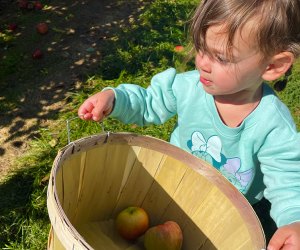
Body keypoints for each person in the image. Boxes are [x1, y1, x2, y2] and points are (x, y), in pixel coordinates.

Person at [78, 0, 300, 249]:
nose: (202, 62)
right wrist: (116, 99)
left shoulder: (272, 124)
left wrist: (293, 220)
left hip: (235, 208)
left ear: (272, 66)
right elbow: (150, 103)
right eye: (201, 48)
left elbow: (287, 179)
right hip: (178, 185)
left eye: (221, 58)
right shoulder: (188, 87)